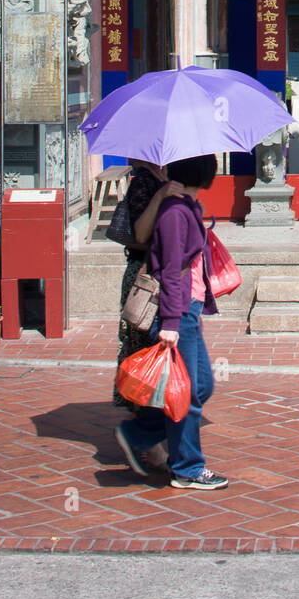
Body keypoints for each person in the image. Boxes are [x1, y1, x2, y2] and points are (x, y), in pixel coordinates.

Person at [115, 154, 227, 490]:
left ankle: (139, 432)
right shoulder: (176, 213)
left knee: (201, 386)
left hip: (188, 307)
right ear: (204, 172)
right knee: (188, 393)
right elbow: (171, 271)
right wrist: (171, 323)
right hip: (177, 309)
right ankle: (188, 467)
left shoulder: (187, 207)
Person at [113, 160, 185, 469]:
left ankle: (151, 436)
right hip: (145, 279)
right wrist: (162, 197)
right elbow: (141, 234)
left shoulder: (172, 178)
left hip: (164, 276)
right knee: (146, 357)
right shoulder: (143, 182)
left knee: (159, 360)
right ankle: (147, 439)